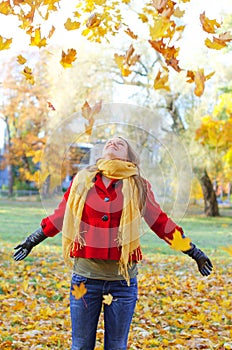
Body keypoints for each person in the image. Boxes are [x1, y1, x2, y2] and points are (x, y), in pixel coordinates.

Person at [13, 136, 213, 350]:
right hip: (85, 279)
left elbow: (161, 223)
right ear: (102, 152)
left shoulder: (138, 186)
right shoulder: (82, 181)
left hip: (122, 283)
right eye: (109, 141)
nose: (113, 143)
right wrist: (31, 240)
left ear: (129, 157)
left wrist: (194, 252)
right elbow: (61, 216)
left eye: (121, 143)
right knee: (80, 346)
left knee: (117, 346)